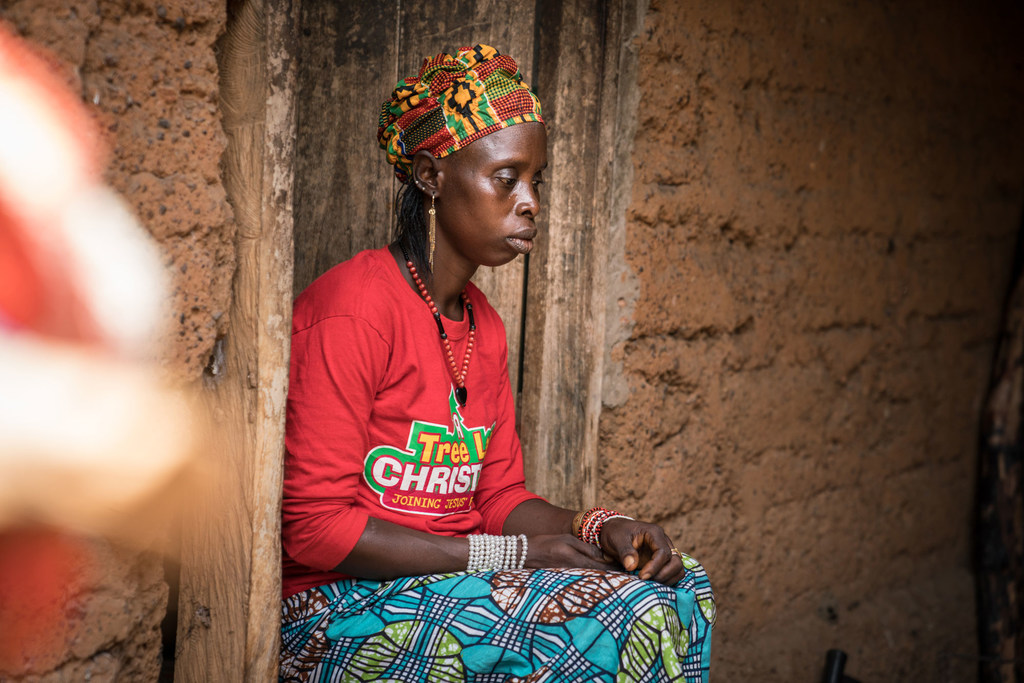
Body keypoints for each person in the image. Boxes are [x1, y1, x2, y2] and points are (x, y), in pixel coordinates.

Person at [279, 44, 715, 682]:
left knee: (679, 588)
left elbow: (498, 496)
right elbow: (316, 530)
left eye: (537, 180)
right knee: (612, 619)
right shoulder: (354, 309)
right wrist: (508, 555)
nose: (531, 201)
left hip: (462, 589)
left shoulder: (483, 323)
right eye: (507, 178)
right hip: (334, 608)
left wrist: (599, 527)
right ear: (431, 177)